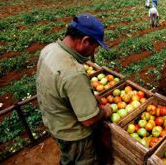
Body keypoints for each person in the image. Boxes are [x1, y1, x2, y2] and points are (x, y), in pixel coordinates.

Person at [36, 13, 112, 165]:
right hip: (74, 136)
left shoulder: (49, 49)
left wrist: (87, 97)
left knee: (67, 158)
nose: (94, 52)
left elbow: (59, 89)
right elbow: (89, 120)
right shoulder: (73, 72)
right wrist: (105, 111)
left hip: (54, 123)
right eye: (95, 46)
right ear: (85, 41)